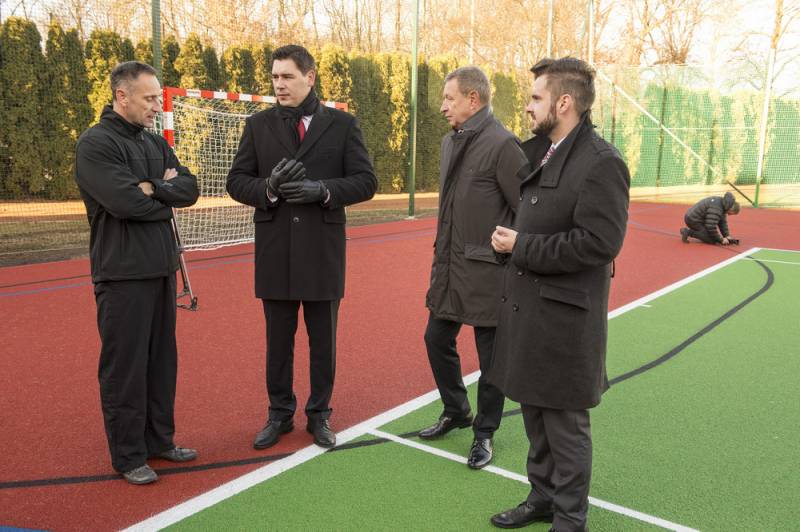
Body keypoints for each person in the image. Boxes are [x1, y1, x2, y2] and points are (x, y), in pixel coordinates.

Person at [488, 57, 630, 531]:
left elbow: (599, 244)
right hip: (530, 312)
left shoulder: (601, 162)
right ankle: (543, 498)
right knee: (534, 415)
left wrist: (521, 245)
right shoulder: (548, 151)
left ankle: (570, 520)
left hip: (565, 322)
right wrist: (511, 243)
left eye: (536, 97)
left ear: (564, 102)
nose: (528, 106)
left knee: (565, 428)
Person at [226, 45, 377, 450]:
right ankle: (279, 414)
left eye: (287, 77)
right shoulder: (258, 125)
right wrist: (269, 188)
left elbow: (366, 181)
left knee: (322, 341)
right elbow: (236, 181)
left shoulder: (342, 125)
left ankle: (319, 413)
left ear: (309, 78)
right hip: (275, 251)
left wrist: (322, 190)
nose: (279, 84)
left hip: (322, 252)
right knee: (278, 342)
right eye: (275, 77)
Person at [74, 61, 200, 485]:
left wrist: (152, 188)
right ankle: (129, 455)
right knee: (125, 370)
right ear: (121, 96)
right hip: (122, 275)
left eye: (157, 98)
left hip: (161, 269)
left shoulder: (154, 143)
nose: (155, 106)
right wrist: (161, 193)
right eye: (148, 98)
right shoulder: (95, 144)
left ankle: (160, 441)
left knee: (162, 364)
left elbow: (190, 189)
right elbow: (125, 203)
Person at [419, 66, 527, 470]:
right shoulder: (451, 142)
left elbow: (527, 208)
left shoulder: (503, 144)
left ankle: (485, 433)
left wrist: (507, 247)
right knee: (435, 338)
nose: (443, 106)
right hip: (450, 267)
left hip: (489, 271)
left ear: (473, 99)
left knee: (491, 359)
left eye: (449, 98)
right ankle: (456, 410)